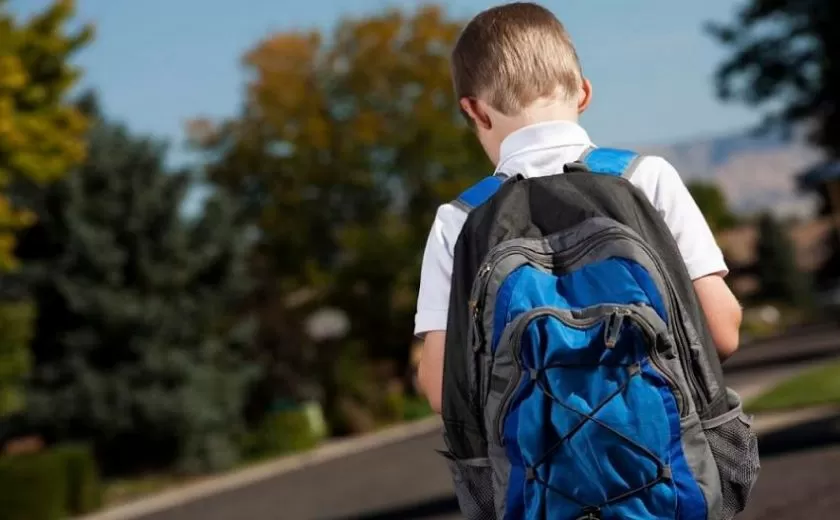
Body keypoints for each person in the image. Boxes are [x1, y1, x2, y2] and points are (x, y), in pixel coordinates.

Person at [414, 2, 742, 413]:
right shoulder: (644, 178)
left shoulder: (460, 220)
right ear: (584, 92)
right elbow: (721, 331)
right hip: (668, 457)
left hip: (532, 471)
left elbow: (440, 386)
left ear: (475, 110)